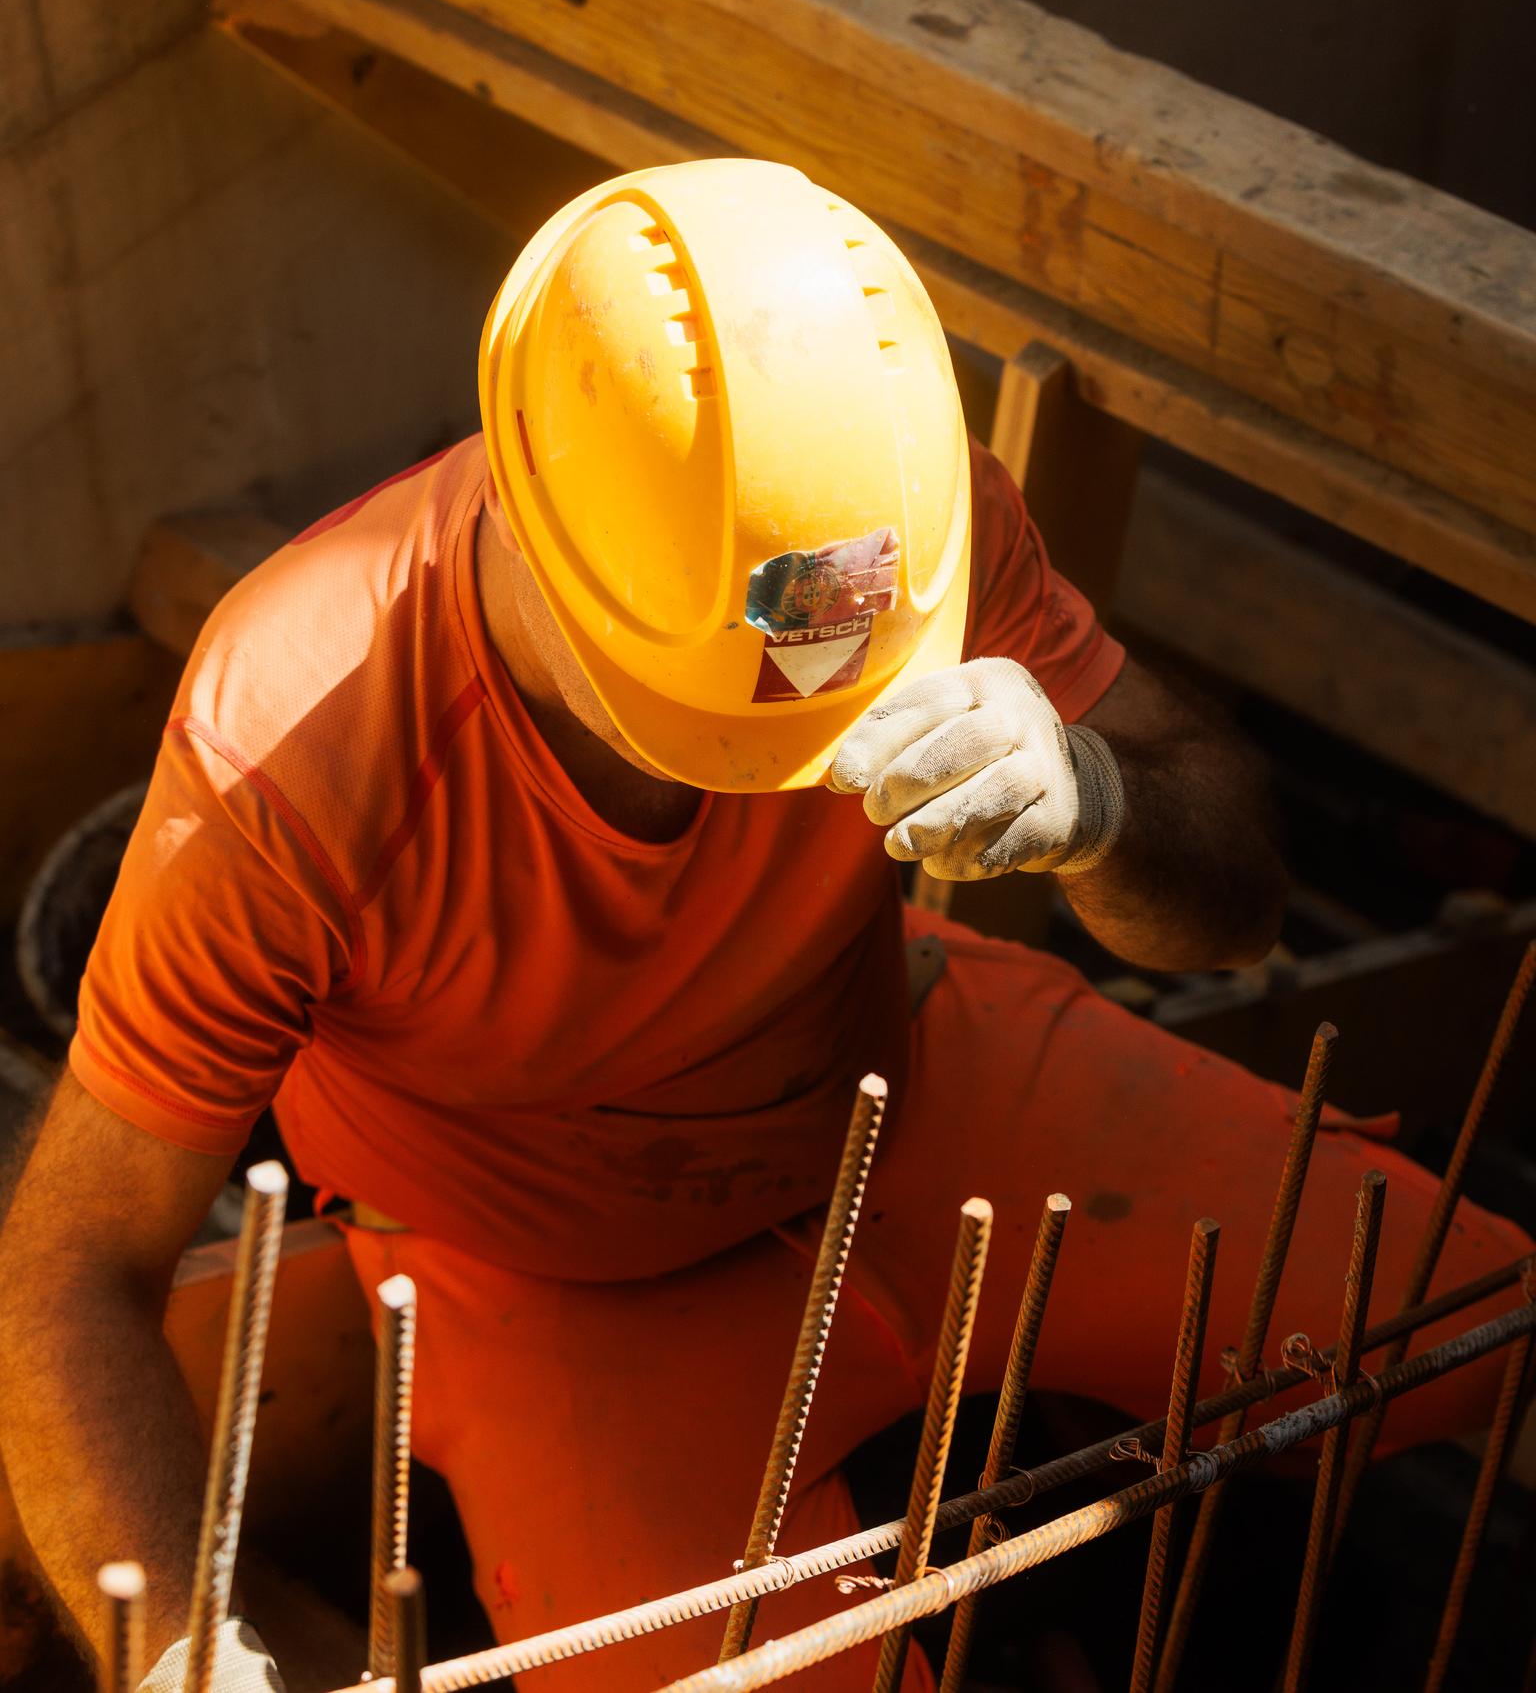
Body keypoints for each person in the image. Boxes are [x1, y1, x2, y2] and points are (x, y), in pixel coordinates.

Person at [0, 161, 1524, 1693]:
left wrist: (1105, 800)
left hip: (911, 1085)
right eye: (710, 719)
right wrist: (186, 1657)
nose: (775, 751)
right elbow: (70, 1267)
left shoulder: (899, 533)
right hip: (548, 1280)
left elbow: (1237, 904)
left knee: (1477, 1324)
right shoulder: (292, 739)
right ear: (529, 529)